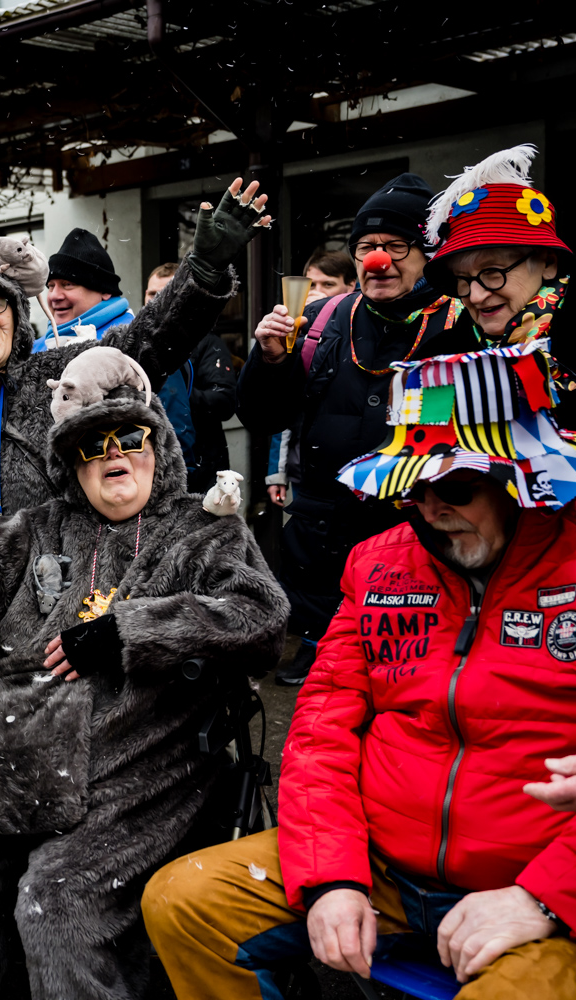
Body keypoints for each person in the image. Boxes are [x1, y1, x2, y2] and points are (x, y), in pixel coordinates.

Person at [145, 340, 576, 999]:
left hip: (550, 892)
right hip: (382, 868)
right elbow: (320, 730)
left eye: (455, 484)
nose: (431, 507)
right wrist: (331, 877)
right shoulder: (381, 564)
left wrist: (544, 898)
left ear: (522, 476)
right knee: (185, 900)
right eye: (414, 487)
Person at [0, 348, 287, 1000]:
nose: (114, 453)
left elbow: (261, 618)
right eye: (91, 445)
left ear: (156, 443)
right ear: (71, 465)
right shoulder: (37, 530)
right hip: (7, 755)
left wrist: (132, 631)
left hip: (136, 767)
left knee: (58, 901)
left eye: (131, 436)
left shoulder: (201, 531)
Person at [0, 178, 270, 729]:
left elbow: (149, 340)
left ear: (16, 313)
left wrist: (201, 272)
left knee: (86, 745)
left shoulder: (63, 376)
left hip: (75, 610)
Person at [238, 172, 467, 685]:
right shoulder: (322, 318)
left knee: (409, 687)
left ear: (429, 252)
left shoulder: (462, 323)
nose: (376, 260)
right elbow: (264, 416)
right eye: (366, 246)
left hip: (418, 546)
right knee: (332, 698)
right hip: (323, 547)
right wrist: (270, 360)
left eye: (395, 245)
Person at [422, 143, 576, 499]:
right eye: (462, 279)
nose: (474, 295)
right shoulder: (438, 360)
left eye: (492, 272)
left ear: (547, 262)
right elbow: (423, 460)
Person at [37, 232, 197, 456]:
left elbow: (176, 432)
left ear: (104, 291)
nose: (54, 295)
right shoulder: (38, 348)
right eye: (50, 286)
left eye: (68, 284)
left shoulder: (138, 340)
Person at [265, 249, 356, 507]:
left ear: (350, 286)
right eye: (311, 284)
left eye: (328, 284)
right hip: (304, 466)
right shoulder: (298, 330)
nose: (318, 291)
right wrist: (277, 474)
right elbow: (282, 407)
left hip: (354, 465)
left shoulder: (360, 325)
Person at [147, 261, 237, 492]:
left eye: (165, 293)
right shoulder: (140, 344)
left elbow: (224, 401)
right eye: (151, 294)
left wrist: (174, 395)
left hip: (202, 469)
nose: (157, 300)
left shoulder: (207, 343)